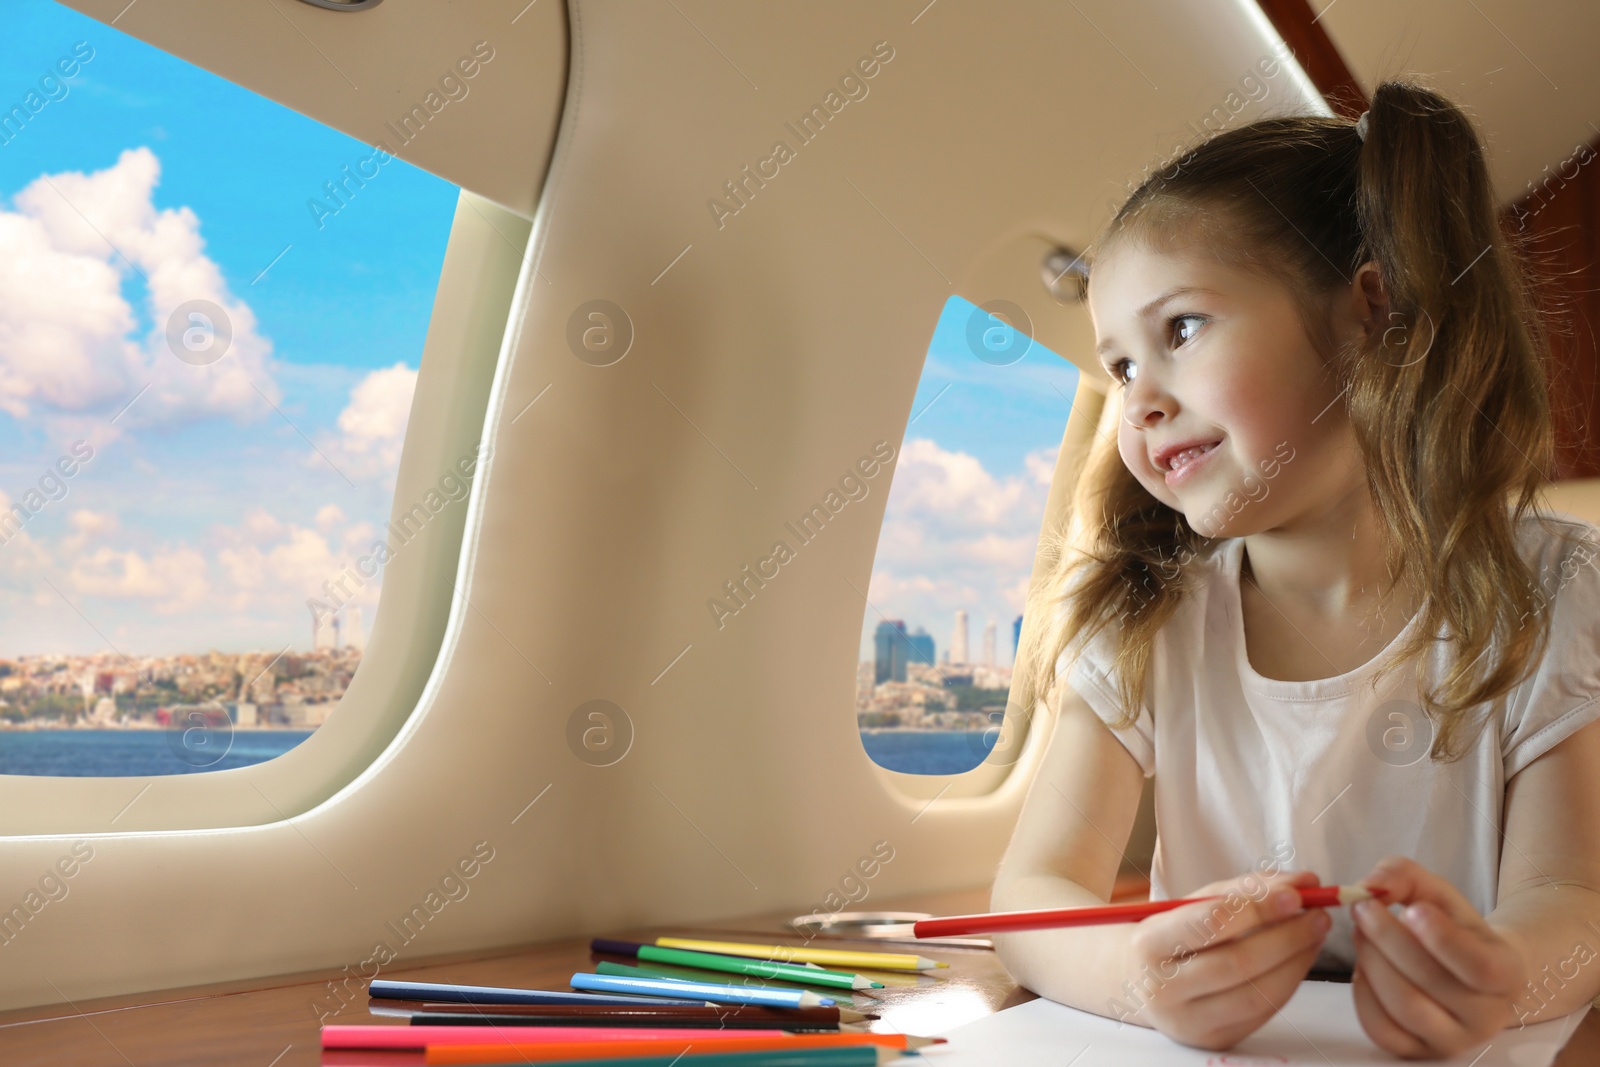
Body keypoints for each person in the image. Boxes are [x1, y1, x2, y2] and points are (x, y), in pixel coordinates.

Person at [995, 78, 1600, 1059]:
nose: (1138, 400)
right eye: (1117, 366)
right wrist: (1141, 981)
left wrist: (1503, 977)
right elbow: (1031, 894)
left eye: (1179, 330)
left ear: (1370, 311)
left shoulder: (1557, 592)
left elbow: (1571, 900)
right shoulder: (1141, 619)